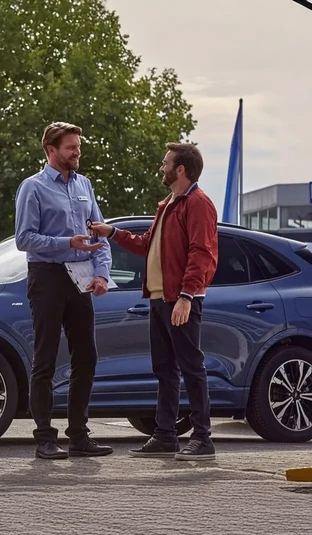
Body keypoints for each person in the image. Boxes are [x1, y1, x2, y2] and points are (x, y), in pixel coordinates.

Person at [88, 142, 219, 461]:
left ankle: (203, 438)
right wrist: (112, 233)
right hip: (160, 299)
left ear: (180, 170)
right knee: (164, 368)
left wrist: (187, 296)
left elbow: (201, 253)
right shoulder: (169, 204)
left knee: (191, 366)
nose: (161, 168)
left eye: (165, 163)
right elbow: (147, 244)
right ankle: (165, 435)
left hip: (181, 299)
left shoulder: (198, 204)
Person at [14, 121, 114, 460]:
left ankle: (79, 436)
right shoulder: (33, 188)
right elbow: (24, 239)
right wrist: (65, 243)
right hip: (47, 276)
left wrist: (101, 275)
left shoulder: (85, 185)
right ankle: (44, 437)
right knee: (44, 357)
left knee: (86, 357)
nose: (77, 152)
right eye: (71, 147)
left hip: (81, 277)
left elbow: (99, 236)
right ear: (51, 150)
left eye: (78, 146)